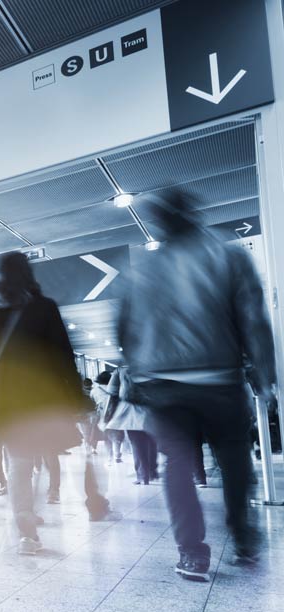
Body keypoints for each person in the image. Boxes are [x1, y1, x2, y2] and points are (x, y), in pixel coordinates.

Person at [118, 189, 276, 579]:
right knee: (235, 460)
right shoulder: (228, 256)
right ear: (194, 214)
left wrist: (137, 371)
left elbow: (124, 328)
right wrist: (265, 377)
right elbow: (253, 320)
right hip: (219, 379)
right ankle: (243, 539)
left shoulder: (142, 271)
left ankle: (192, 552)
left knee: (178, 464)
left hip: (163, 386)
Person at [0, 252, 117, 556]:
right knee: (37, 459)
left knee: (19, 464)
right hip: (39, 400)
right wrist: (77, 397)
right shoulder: (44, 309)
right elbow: (63, 356)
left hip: (3, 403)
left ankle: (25, 526)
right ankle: (28, 515)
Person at [105, 367, 157, 485]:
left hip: (129, 412)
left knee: (137, 444)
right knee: (151, 441)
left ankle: (142, 476)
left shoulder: (120, 370)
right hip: (152, 409)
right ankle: (152, 470)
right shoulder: (152, 365)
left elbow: (111, 390)